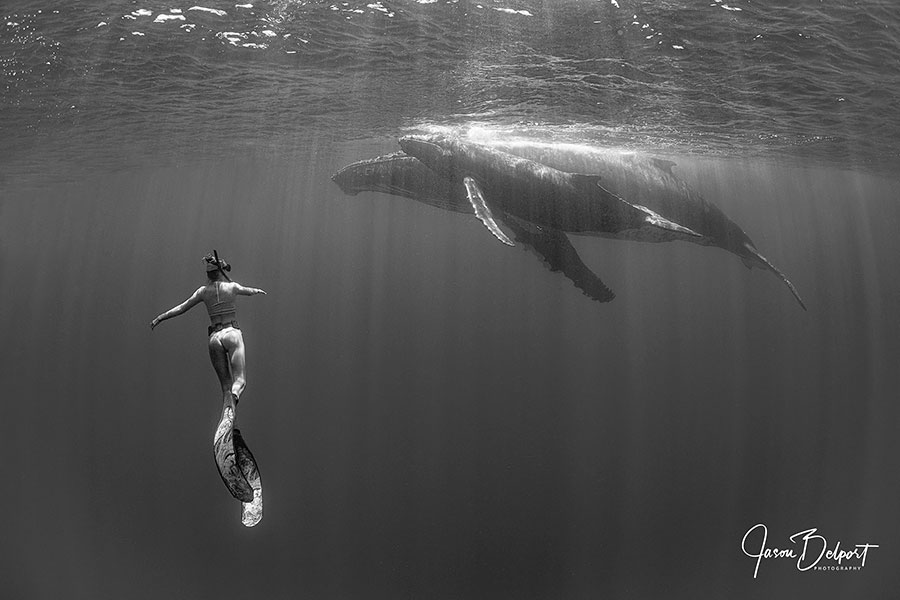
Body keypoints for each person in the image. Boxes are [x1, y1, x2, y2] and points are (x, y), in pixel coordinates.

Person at [150, 251, 267, 519]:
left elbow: (181, 308)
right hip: (231, 334)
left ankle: (229, 419)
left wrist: (159, 318)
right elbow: (248, 290)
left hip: (214, 337)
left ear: (208, 273)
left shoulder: (202, 292)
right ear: (223, 269)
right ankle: (230, 413)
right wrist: (257, 291)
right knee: (240, 382)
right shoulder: (232, 286)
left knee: (225, 386)